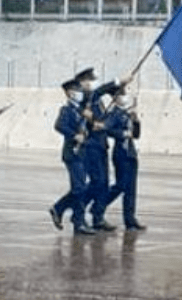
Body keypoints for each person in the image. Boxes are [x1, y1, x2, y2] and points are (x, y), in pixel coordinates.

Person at [74, 67, 131, 231]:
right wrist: (118, 81)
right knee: (96, 183)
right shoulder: (86, 97)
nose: (93, 82)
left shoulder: (97, 100)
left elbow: (105, 98)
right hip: (90, 147)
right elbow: (99, 91)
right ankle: (77, 214)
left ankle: (98, 217)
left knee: (104, 184)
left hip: (101, 145)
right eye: (90, 79)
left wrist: (121, 87)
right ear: (83, 82)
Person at [49, 79, 94, 235]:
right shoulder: (66, 110)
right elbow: (59, 125)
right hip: (72, 153)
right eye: (78, 91)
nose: (81, 94)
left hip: (81, 153)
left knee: (80, 188)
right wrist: (74, 135)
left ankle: (61, 210)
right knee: (79, 188)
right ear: (70, 93)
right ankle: (75, 219)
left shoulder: (81, 110)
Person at [102, 92, 145, 231]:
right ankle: (99, 206)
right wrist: (121, 134)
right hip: (121, 153)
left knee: (131, 189)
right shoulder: (114, 113)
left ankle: (130, 219)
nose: (125, 97)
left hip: (130, 153)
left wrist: (136, 120)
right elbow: (107, 129)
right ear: (116, 99)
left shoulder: (126, 114)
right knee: (121, 185)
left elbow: (136, 135)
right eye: (122, 95)